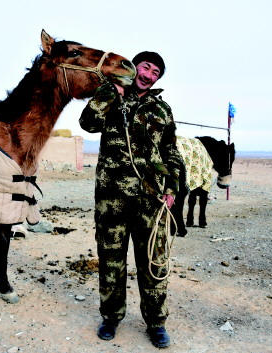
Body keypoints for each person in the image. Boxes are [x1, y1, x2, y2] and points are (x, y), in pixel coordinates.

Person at [79, 51, 181, 348]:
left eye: (156, 73)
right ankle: (111, 317)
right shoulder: (111, 95)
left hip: (151, 199)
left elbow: (171, 151)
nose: (149, 75)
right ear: (134, 66)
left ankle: (156, 322)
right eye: (146, 67)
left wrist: (172, 188)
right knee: (111, 261)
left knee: (153, 262)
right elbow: (88, 123)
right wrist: (110, 92)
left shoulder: (162, 109)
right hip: (112, 198)